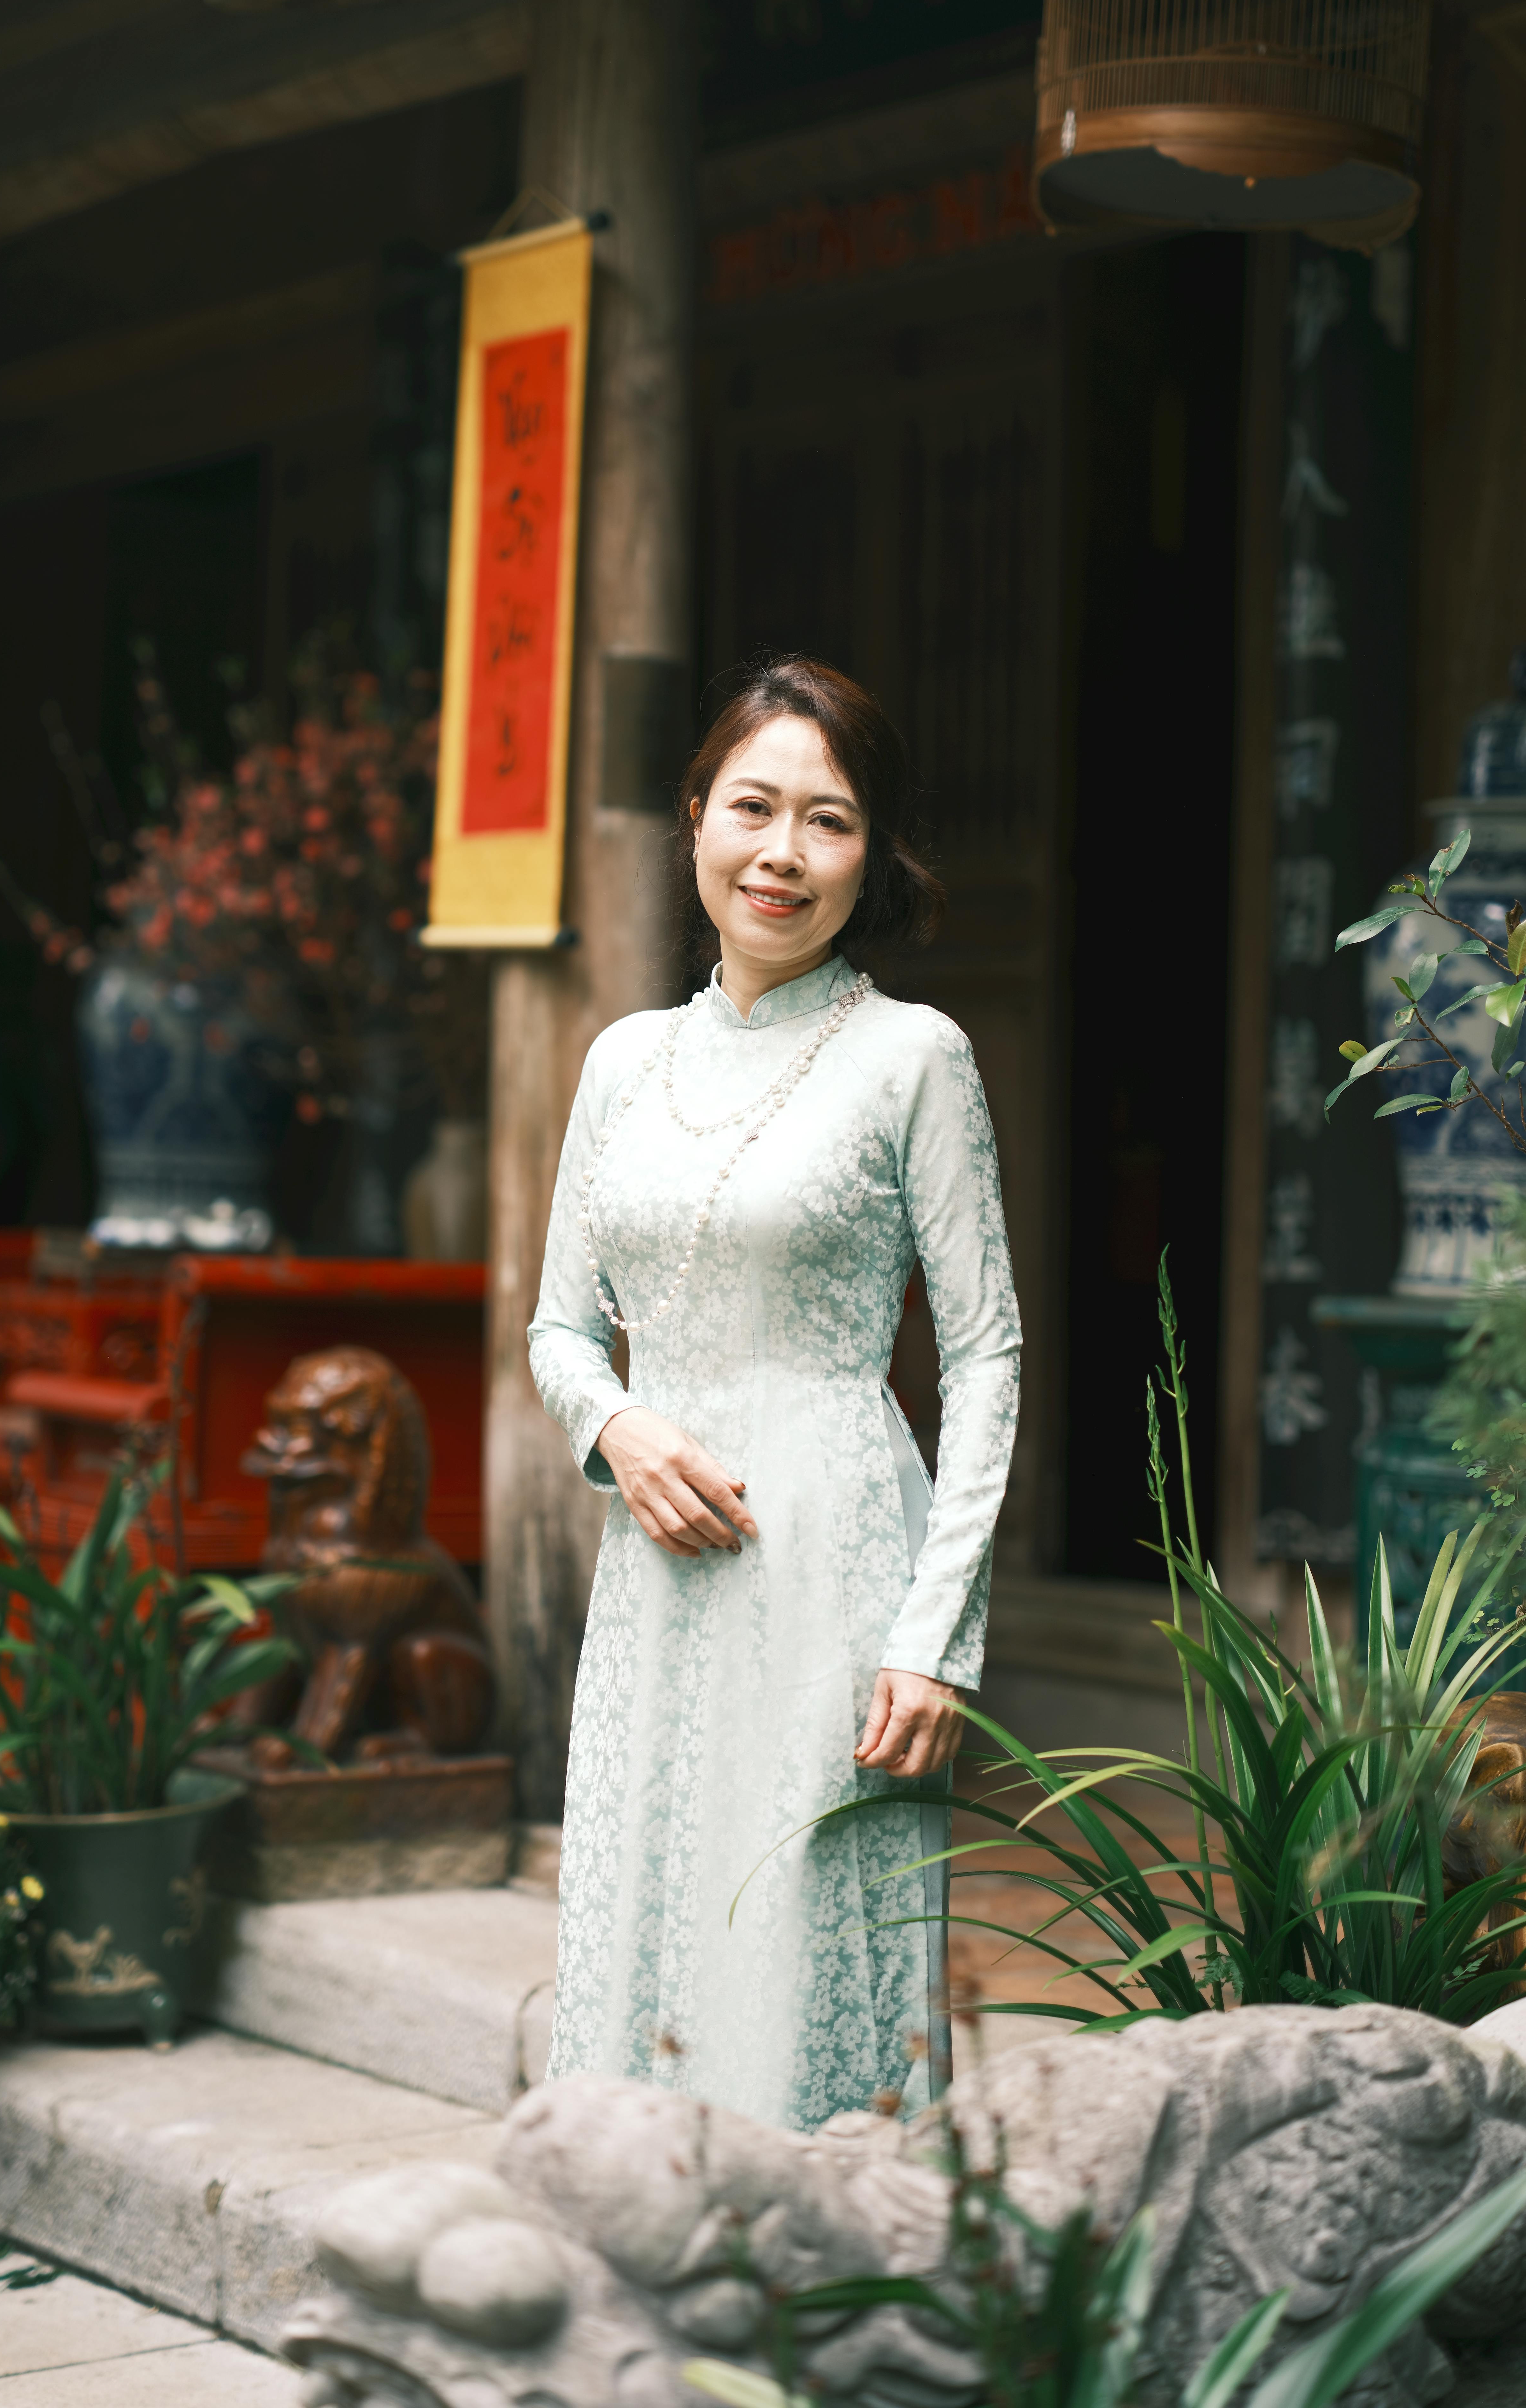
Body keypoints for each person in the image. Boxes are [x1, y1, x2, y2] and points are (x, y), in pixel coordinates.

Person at [528, 654, 1021, 2133]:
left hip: (838, 1566)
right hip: (658, 1581)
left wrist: (938, 1638)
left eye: (830, 819)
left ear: (872, 855)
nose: (783, 852)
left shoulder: (912, 1056)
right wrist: (616, 1424)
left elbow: (988, 1349)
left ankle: (830, 2301)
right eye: (754, 807)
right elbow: (559, 1332)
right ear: (695, 820)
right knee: (649, 1919)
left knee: (806, 1948)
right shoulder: (623, 1062)